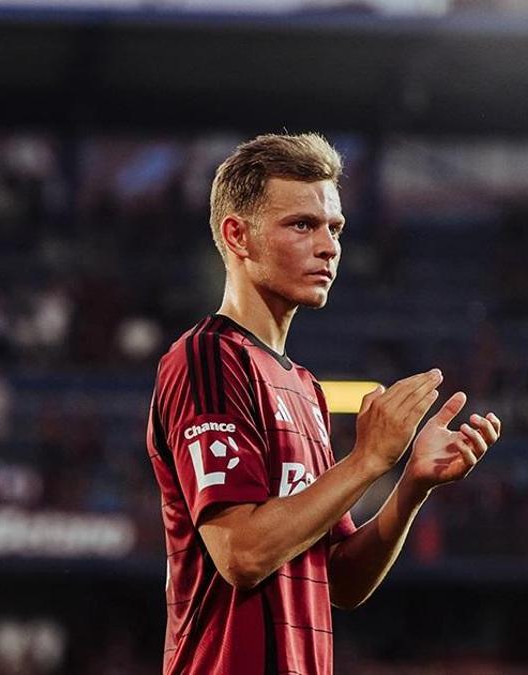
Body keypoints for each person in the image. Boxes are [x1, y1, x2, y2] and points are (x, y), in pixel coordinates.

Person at [145, 133, 502, 674]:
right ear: (238, 235)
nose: (329, 246)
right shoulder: (208, 359)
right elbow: (242, 555)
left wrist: (411, 485)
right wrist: (367, 460)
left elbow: (341, 581)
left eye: (334, 228)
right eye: (302, 225)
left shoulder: (306, 388)